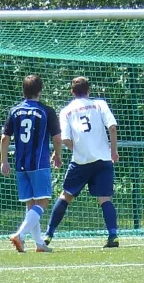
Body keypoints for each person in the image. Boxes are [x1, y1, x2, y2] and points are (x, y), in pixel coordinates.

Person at [44, 76, 120, 248]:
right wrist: (113, 151)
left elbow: (65, 139)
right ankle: (113, 235)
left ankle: (48, 235)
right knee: (105, 199)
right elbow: (113, 127)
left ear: (72, 92)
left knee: (66, 196)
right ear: (89, 91)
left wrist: (77, 150)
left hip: (80, 161)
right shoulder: (100, 104)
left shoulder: (66, 111)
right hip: (103, 160)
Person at [1, 74, 62, 252]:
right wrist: (57, 155)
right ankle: (19, 235)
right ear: (40, 91)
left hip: (20, 163)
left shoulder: (15, 110)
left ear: (23, 91)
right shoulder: (46, 111)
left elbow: (5, 138)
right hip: (39, 163)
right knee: (42, 202)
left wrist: (3, 161)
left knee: (31, 204)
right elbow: (57, 138)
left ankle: (39, 244)